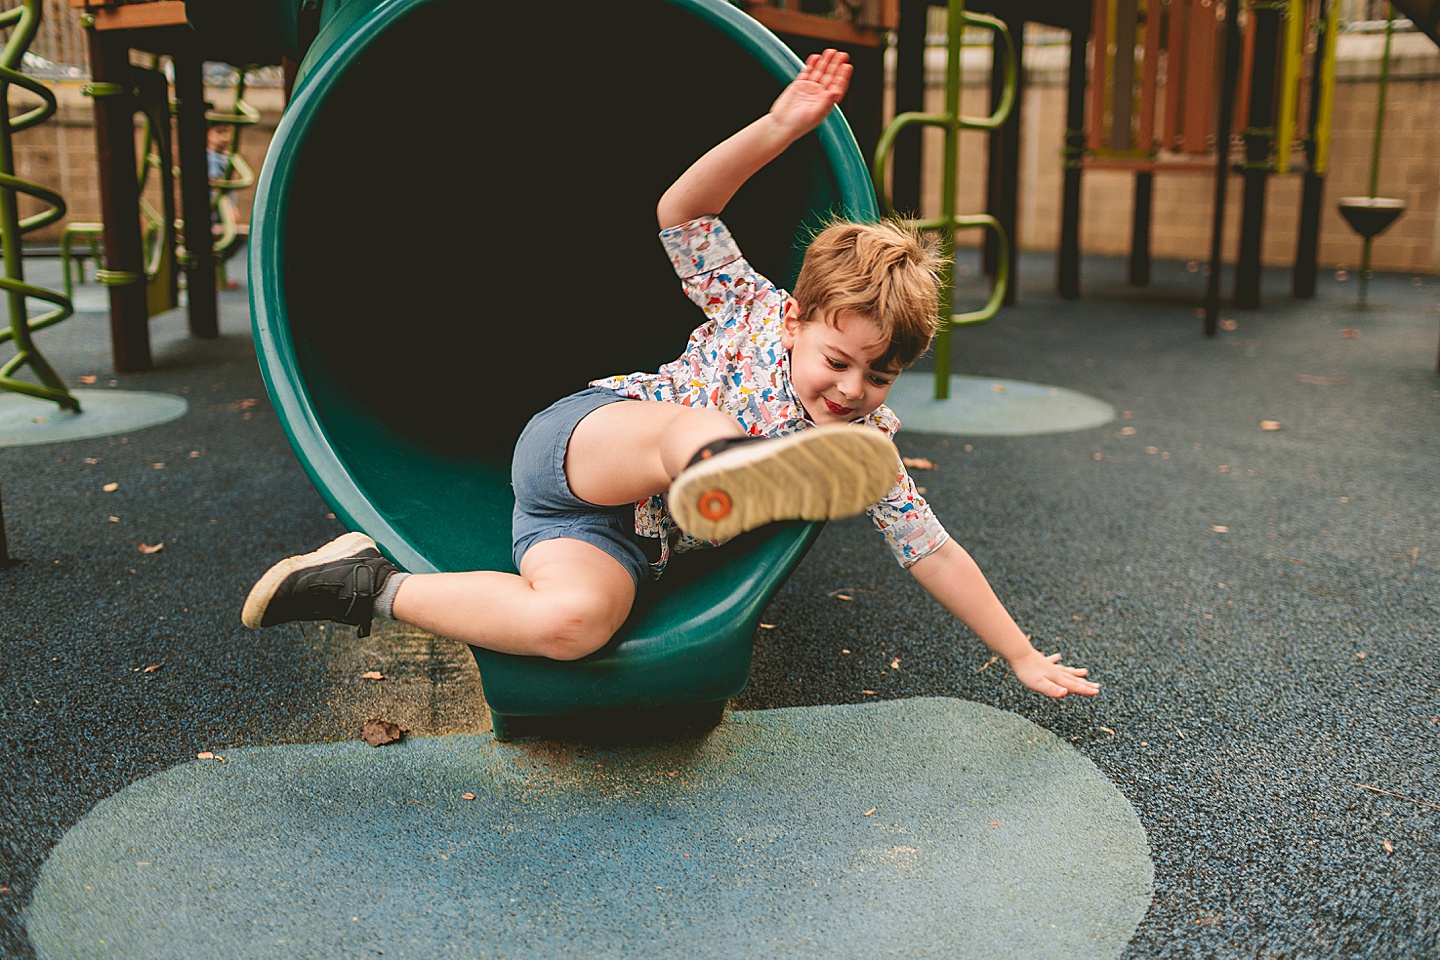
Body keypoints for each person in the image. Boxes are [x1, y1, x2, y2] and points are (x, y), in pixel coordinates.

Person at [242, 49, 1098, 699]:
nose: (849, 390)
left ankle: (362, 584)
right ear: (797, 321)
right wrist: (779, 129)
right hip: (589, 445)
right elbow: (683, 212)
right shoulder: (752, 308)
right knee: (690, 429)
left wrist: (1020, 654)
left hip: (613, 536)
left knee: (573, 626)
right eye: (838, 361)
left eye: (878, 378)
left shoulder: (865, 445)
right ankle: (728, 465)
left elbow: (932, 550)